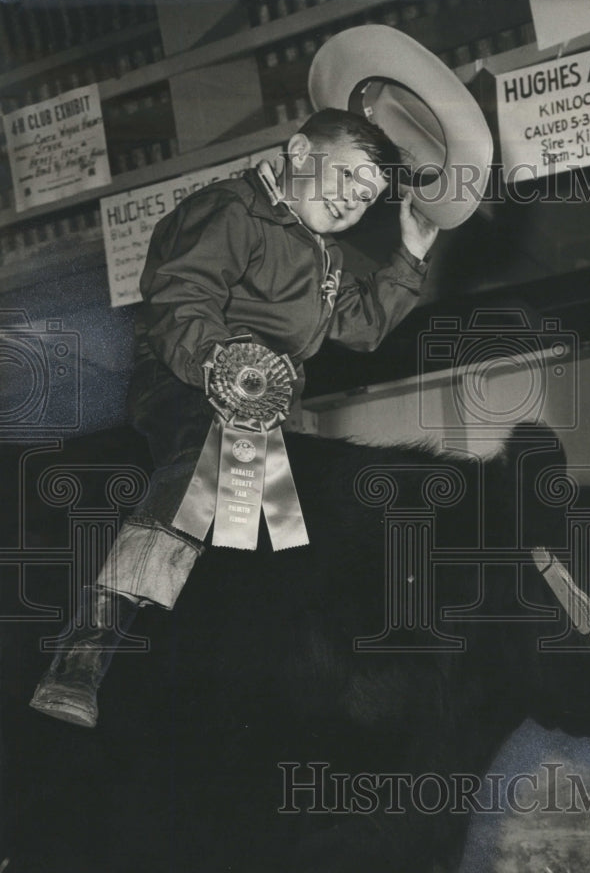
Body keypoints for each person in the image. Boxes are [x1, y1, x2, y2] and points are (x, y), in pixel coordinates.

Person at [30, 107, 439, 729]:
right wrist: (223, 366)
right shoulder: (228, 210)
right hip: (187, 378)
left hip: (266, 411)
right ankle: (84, 649)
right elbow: (182, 300)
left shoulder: (323, 257)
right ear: (300, 151)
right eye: (350, 176)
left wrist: (410, 253)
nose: (356, 200)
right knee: (207, 465)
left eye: (369, 195)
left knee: (288, 537)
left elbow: (361, 325)